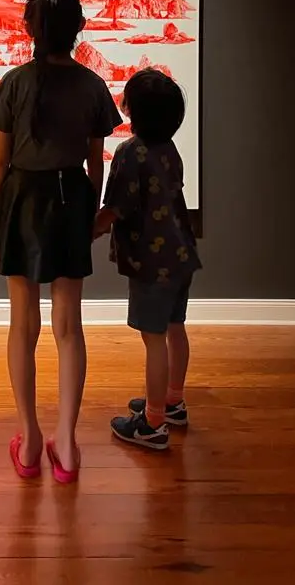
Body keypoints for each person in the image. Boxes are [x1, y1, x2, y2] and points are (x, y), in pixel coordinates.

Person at [0, 0, 122, 482]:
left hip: (21, 199)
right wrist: (89, 213)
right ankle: (68, 444)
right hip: (70, 198)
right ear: (79, 28)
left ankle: (30, 441)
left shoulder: (14, 83)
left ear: (29, 29)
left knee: (23, 326)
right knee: (68, 327)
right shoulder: (92, 86)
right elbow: (95, 163)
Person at [94, 68, 201, 450]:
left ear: (133, 110)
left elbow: (115, 208)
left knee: (154, 339)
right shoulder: (169, 149)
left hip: (151, 262)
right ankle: (173, 401)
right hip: (181, 254)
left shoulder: (130, 153)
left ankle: (152, 423)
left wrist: (84, 231)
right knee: (175, 328)